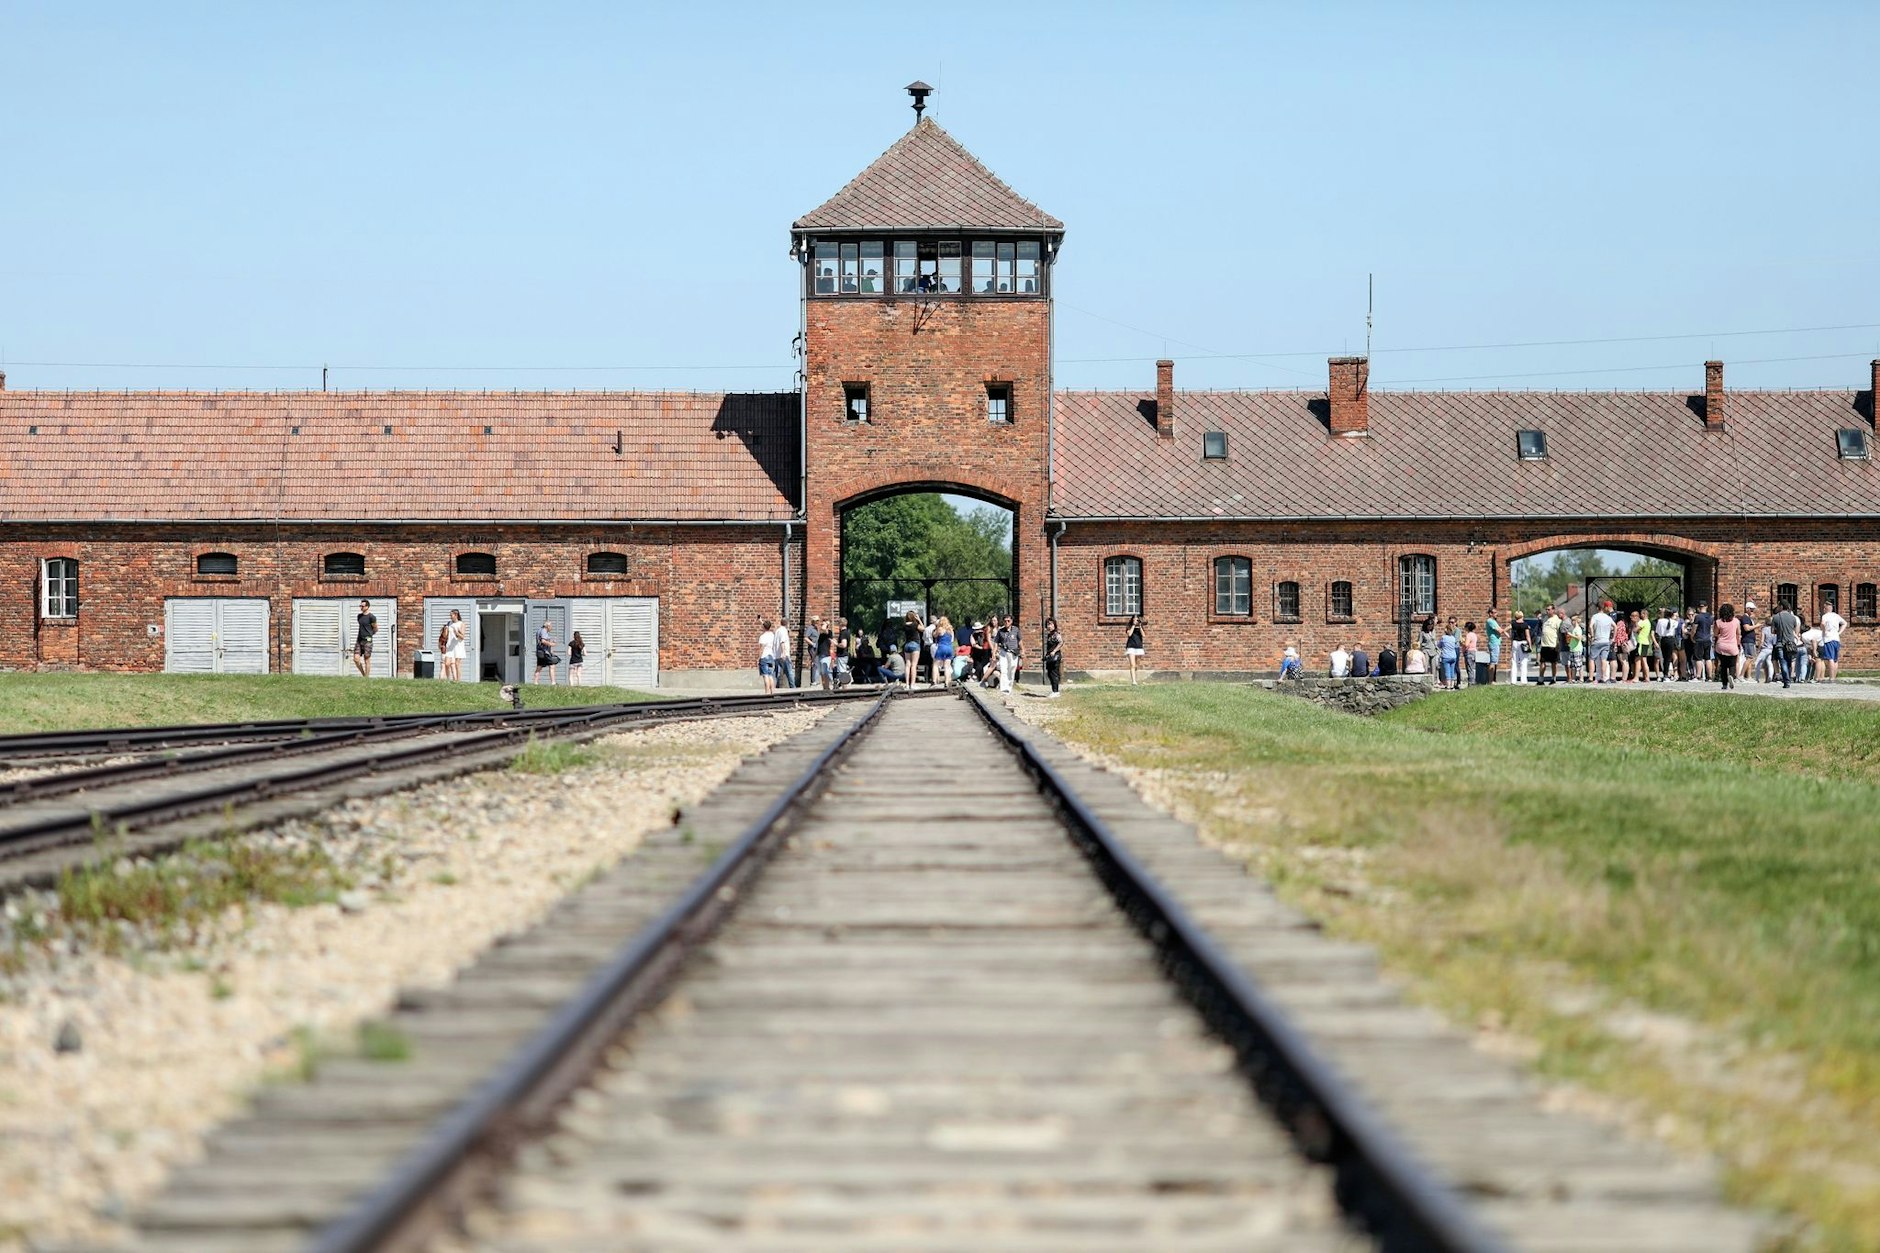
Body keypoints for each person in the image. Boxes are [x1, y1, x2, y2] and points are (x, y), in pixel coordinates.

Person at [1770, 602, 1804, 688]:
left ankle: (1786, 681)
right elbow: (1795, 630)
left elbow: (1772, 631)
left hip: (1780, 643)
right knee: (1789, 662)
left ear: (1781, 606)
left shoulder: (1776, 617)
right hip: (1791, 643)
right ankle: (1788, 678)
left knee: (1782, 661)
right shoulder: (1793, 618)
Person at [1713, 604, 1741, 690]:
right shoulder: (1736, 621)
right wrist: (1738, 643)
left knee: (1723, 665)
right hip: (1732, 646)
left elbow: (1715, 634)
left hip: (1721, 646)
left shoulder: (1718, 622)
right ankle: (1732, 676)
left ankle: (1724, 684)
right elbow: (1738, 633)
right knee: (1732, 664)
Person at [1588, 601, 1614, 684]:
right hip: (1606, 641)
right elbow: (1615, 626)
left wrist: (1592, 636)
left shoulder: (1595, 617)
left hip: (1597, 640)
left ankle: (1591, 677)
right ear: (1604, 608)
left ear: (1597, 608)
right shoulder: (1608, 617)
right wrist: (1613, 638)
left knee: (1592, 659)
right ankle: (1603, 678)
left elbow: (1590, 626)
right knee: (1604, 659)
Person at [1821, 601, 1846, 681]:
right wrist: (1839, 632)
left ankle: (1831, 677)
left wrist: (1824, 631)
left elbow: (1823, 624)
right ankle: (1834, 677)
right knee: (1835, 659)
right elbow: (1844, 623)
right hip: (1836, 638)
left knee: (1830, 658)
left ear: (1825, 608)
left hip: (1829, 639)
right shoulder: (1836, 616)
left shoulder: (1825, 616)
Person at [995, 615, 1021, 693]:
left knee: (1012, 669)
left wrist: (1022, 650)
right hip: (1004, 652)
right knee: (1004, 669)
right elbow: (996, 642)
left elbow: (1020, 641)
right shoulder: (1000, 631)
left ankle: (1009, 687)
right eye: (1005, 621)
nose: (1007, 622)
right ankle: (1004, 688)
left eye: (1008, 621)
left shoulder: (1016, 630)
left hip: (1013, 652)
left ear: (1011, 621)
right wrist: (994, 653)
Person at [352, 599, 378, 677]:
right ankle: (363, 674)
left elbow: (375, 629)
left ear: (367, 606)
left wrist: (369, 635)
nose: (361, 607)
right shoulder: (359, 616)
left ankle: (367, 677)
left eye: (362, 606)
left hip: (367, 641)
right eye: (360, 606)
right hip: (359, 640)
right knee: (356, 659)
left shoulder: (372, 617)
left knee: (367, 659)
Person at [1537, 608, 1562, 685]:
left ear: (1553, 610)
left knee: (1554, 662)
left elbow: (1560, 632)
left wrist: (1559, 643)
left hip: (1553, 644)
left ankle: (1553, 679)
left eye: (1549, 609)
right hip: (1544, 644)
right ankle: (1540, 679)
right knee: (1542, 662)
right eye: (1546, 609)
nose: (1547, 611)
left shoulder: (1557, 620)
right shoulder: (1545, 619)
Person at [1691, 602, 1715, 682]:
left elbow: (1694, 628)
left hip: (1699, 639)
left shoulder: (1698, 617)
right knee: (1708, 658)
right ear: (1706, 606)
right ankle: (1710, 677)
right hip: (1708, 639)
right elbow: (1712, 628)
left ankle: (1698, 676)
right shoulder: (1710, 617)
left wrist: (1692, 637)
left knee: (1699, 658)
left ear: (1699, 608)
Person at [442, 608, 467, 681]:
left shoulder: (461, 624)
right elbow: (445, 636)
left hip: (458, 646)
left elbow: (462, 637)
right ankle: (448, 679)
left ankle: (457, 681)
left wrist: (457, 633)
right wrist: (445, 630)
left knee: (457, 664)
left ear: (456, 615)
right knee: (447, 663)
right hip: (450, 646)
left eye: (451, 615)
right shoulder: (449, 623)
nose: (450, 616)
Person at [901, 611, 924, 691]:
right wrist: (919, 620)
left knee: (907, 664)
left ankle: (907, 684)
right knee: (914, 665)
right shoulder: (915, 625)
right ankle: (912, 684)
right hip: (915, 644)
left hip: (907, 645)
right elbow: (923, 629)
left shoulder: (904, 625)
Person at [931, 616, 956, 690]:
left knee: (935, 665)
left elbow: (934, 635)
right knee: (947, 667)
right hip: (949, 648)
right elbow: (952, 640)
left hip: (941, 647)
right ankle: (947, 682)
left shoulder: (940, 629)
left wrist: (936, 627)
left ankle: (934, 681)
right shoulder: (950, 630)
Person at [1043, 617, 1064, 698]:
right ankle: (1053, 690)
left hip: (1055, 656)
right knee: (1050, 673)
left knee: (1054, 673)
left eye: (1051, 624)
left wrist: (1054, 651)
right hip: (1050, 657)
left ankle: (1056, 691)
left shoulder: (1056, 634)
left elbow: (1061, 642)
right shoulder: (1050, 634)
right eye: (1048, 624)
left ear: (1054, 625)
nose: (1049, 626)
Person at [534, 619, 559, 685]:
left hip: (540, 652)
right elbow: (543, 641)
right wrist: (552, 644)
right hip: (544, 652)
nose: (551, 628)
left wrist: (551, 649)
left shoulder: (539, 630)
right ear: (547, 626)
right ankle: (553, 682)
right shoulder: (544, 631)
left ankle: (535, 682)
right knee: (552, 665)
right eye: (551, 626)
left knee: (539, 667)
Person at [1509, 613, 1532, 684]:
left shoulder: (1513, 624)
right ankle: (1523, 680)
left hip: (1515, 642)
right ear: (1522, 616)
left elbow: (1505, 629)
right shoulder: (1525, 625)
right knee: (1524, 661)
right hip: (1523, 643)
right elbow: (1527, 636)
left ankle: (1513, 681)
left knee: (1514, 661)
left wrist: (1509, 637)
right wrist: (1530, 645)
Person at [756, 618, 777, 695]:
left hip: (764, 657)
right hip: (771, 656)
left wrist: (758, 658)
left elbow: (761, 648)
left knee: (765, 676)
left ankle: (767, 692)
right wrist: (761, 620)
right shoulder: (772, 635)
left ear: (763, 627)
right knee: (770, 675)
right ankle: (773, 692)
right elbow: (765, 626)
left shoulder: (762, 637)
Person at [1123, 615, 1145, 684]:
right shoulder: (1129, 627)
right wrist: (1133, 625)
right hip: (1131, 647)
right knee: (1132, 664)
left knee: (1136, 665)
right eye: (1134, 619)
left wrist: (1140, 626)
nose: (1136, 620)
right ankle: (1134, 681)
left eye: (1137, 619)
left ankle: (1136, 678)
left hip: (1139, 647)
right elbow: (1129, 634)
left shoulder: (1140, 628)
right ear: (1132, 620)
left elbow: (1144, 635)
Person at [1437, 624, 1460, 690]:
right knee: (1452, 671)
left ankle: (1448, 685)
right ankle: (1452, 685)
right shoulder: (1453, 638)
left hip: (1446, 656)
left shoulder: (1444, 637)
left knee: (1447, 671)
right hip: (1453, 656)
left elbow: (1439, 645)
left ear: (1447, 630)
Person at [1484, 613, 1502, 678]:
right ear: (1490, 613)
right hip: (1494, 643)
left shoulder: (1494, 621)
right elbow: (1499, 631)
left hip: (1496, 642)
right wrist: (1508, 627)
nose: (1497, 614)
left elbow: (1500, 630)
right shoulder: (1490, 621)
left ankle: (1492, 680)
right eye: (1495, 613)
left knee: (1494, 661)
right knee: (1493, 662)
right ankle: (1490, 681)